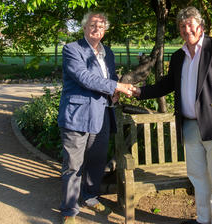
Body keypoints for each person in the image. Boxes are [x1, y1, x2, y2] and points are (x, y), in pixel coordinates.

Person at [132, 6, 212, 224]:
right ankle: (203, 219)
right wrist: (140, 91)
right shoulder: (178, 56)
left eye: (190, 25)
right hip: (189, 126)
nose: (187, 30)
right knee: (198, 178)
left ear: (201, 26)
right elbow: (167, 84)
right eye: (182, 26)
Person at [57, 11, 135, 224]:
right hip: (77, 116)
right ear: (84, 27)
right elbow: (84, 77)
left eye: (101, 27)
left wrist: (115, 91)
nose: (96, 30)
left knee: (97, 162)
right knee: (73, 165)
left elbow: (110, 79)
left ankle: (90, 197)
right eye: (92, 25)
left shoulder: (108, 52)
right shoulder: (71, 49)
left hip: (101, 116)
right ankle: (69, 211)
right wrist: (116, 86)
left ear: (105, 30)